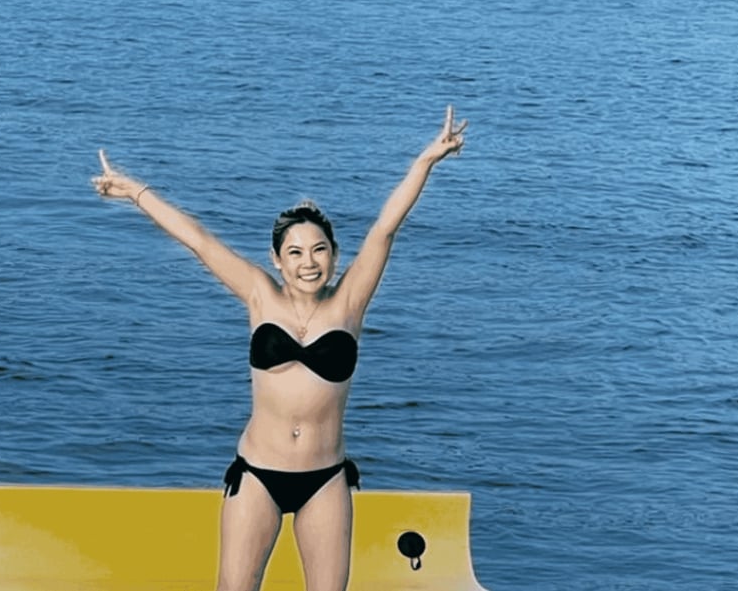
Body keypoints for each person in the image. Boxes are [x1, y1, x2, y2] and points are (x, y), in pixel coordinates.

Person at [91, 106, 468, 591]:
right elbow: (199, 241)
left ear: (335, 254)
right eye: (295, 252)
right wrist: (134, 191)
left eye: (319, 250)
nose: (308, 263)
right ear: (276, 259)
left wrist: (426, 161)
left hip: (325, 478)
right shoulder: (259, 294)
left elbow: (384, 229)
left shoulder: (349, 303)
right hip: (258, 475)